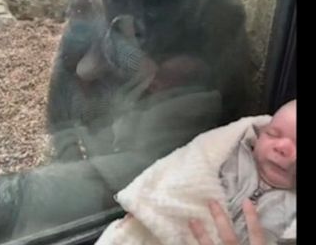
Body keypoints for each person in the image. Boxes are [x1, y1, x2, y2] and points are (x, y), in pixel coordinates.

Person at [95, 100, 296, 245]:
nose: (282, 147)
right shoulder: (232, 151)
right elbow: (182, 168)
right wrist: (148, 205)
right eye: (272, 133)